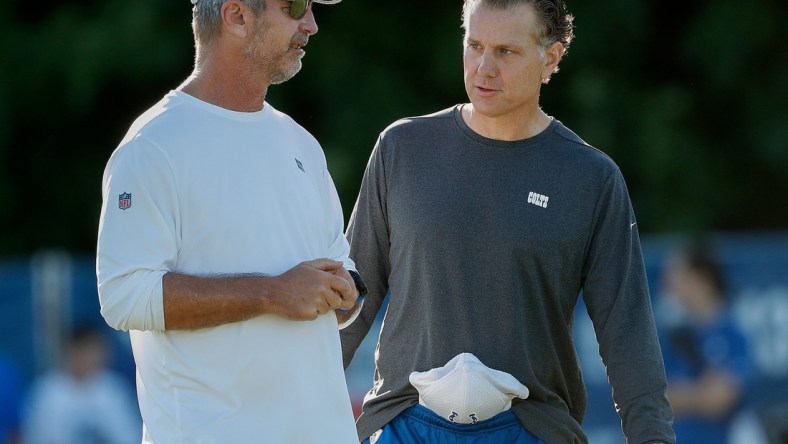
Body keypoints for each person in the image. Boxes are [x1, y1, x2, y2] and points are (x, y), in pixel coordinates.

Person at [339, 0, 676, 443]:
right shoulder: (402, 149)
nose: (483, 68)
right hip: (404, 422)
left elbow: (627, 335)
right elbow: (349, 305)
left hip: (532, 427)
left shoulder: (591, 179)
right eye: (474, 45)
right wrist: (283, 408)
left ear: (550, 57)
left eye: (506, 51)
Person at [95, 0, 364, 442]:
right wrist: (271, 292)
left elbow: (338, 275)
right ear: (237, 16)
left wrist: (345, 292)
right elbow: (123, 295)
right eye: (296, 7)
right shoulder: (152, 146)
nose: (312, 25)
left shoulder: (302, 144)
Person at [658, 240, 750, 443]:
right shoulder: (671, 335)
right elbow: (655, 398)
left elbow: (721, 399)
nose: (669, 287)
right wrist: (701, 392)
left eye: (676, 278)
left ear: (700, 279)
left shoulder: (731, 333)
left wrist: (684, 395)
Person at [21, 325, 141, 444]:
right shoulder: (47, 392)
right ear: (71, 351)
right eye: (86, 350)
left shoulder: (114, 389)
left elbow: (129, 437)